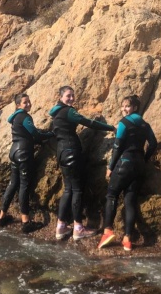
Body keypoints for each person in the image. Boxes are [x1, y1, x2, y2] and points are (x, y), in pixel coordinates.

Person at [49, 85, 115, 241]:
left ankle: (61, 226)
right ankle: (78, 227)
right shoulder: (68, 111)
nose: (71, 98)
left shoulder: (56, 113)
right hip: (71, 152)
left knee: (68, 190)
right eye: (68, 96)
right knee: (77, 190)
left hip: (62, 153)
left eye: (72, 95)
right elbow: (88, 122)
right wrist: (111, 127)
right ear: (60, 97)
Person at [97, 95, 157, 251]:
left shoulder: (124, 123)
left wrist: (110, 167)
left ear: (135, 108)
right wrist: (145, 158)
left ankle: (108, 231)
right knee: (130, 200)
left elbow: (117, 147)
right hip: (139, 165)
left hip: (125, 163)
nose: (124, 109)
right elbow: (153, 143)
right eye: (123, 106)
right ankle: (127, 239)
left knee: (112, 195)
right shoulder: (145, 124)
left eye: (127, 106)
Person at [0, 93, 54, 233]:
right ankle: (26, 222)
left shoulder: (16, 117)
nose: (28, 104)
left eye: (29, 101)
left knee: (13, 184)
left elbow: (28, 133)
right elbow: (35, 135)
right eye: (25, 102)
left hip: (14, 152)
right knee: (24, 186)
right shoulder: (25, 117)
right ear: (18, 105)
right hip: (24, 154)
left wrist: (41, 135)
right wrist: (51, 135)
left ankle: (2, 217)